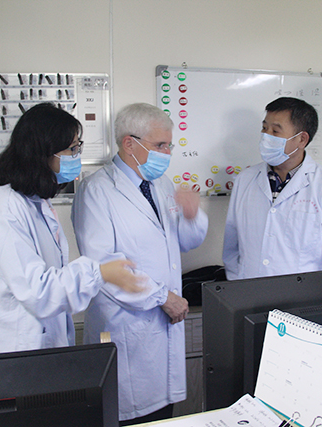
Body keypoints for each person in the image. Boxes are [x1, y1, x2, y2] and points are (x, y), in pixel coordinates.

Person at [0, 103, 141, 357]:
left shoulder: (38, 203)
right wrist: (99, 272)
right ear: (43, 153)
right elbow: (37, 291)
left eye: (77, 147)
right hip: (13, 349)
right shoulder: (6, 206)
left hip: (39, 346)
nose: (76, 156)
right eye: (72, 149)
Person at [71, 103, 208, 424]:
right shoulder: (97, 190)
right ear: (129, 143)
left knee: (162, 415)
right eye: (160, 145)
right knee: (127, 414)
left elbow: (184, 243)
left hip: (164, 323)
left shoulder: (160, 184)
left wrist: (192, 216)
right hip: (125, 325)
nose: (167, 153)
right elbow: (105, 267)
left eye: (169, 145)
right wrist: (162, 297)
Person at [223, 97, 322, 280]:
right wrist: (238, 284)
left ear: (301, 139)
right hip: (250, 290)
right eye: (264, 128)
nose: (266, 136)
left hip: (304, 294)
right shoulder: (245, 180)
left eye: (275, 131)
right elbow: (232, 246)